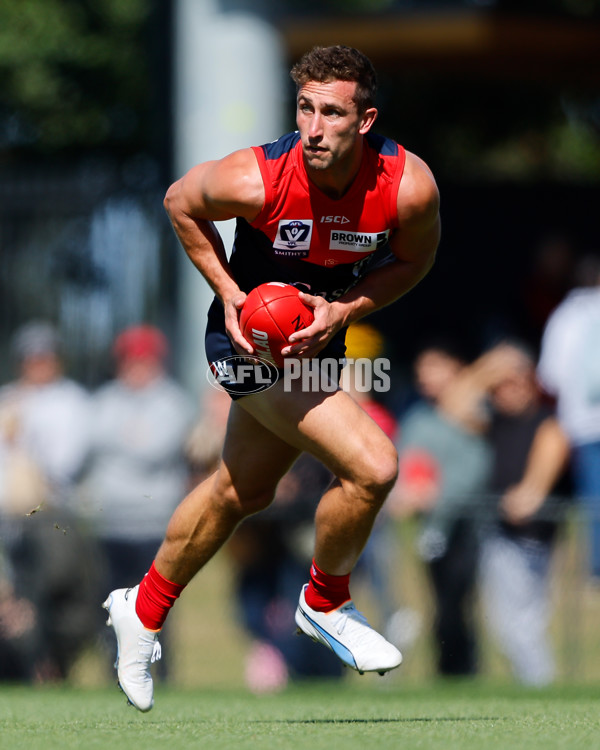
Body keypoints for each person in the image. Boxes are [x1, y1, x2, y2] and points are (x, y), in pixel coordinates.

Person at [102, 44, 440, 711]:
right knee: (373, 465)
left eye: (332, 113)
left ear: (365, 121)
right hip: (245, 345)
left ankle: (139, 609)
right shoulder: (256, 178)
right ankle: (326, 603)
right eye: (305, 109)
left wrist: (345, 308)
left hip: (318, 343)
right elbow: (179, 202)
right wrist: (229, 292)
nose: (313, 127)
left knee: (241, 489)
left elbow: (413, 261)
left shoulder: (409, 187)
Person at [81, 325, 195, 678]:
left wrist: (119, 443)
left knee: (156, 609)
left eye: (144, 360)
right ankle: (113, 672)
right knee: (112, 607)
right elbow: (90, 443)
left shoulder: (174, 402)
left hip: (156, 525)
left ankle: (159, 676)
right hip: (111, 525)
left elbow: (154, 448)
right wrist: (128, 440)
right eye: (131, 360)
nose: (137, 367)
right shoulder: (103, 401)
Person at [0, 320, 98, 680]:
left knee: (54, 597)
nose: (37, 364)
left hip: (52, 518)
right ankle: (28, 669)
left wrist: (23, 438)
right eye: (30, 358)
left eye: (44, 357)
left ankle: (52, 666)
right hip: (9, 519)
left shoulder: (71, 401)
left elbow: (64, 465)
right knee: (18, 599)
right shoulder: (8, 398)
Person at [391, 339, 491, 677]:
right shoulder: (417, 418)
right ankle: (448, 671)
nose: (426, 377)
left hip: (468, 525)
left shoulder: (474, 413)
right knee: (440, 605)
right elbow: (408, 464)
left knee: (460, 605)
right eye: (423, 369)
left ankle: (463, 671)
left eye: (435, 368)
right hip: (428, 526)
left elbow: (476, 468)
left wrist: (439, 495)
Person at [537, 254, 600, 583]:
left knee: (594, 498)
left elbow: (550, 376)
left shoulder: (566, 316)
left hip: (584, 425)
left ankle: (595, 569)